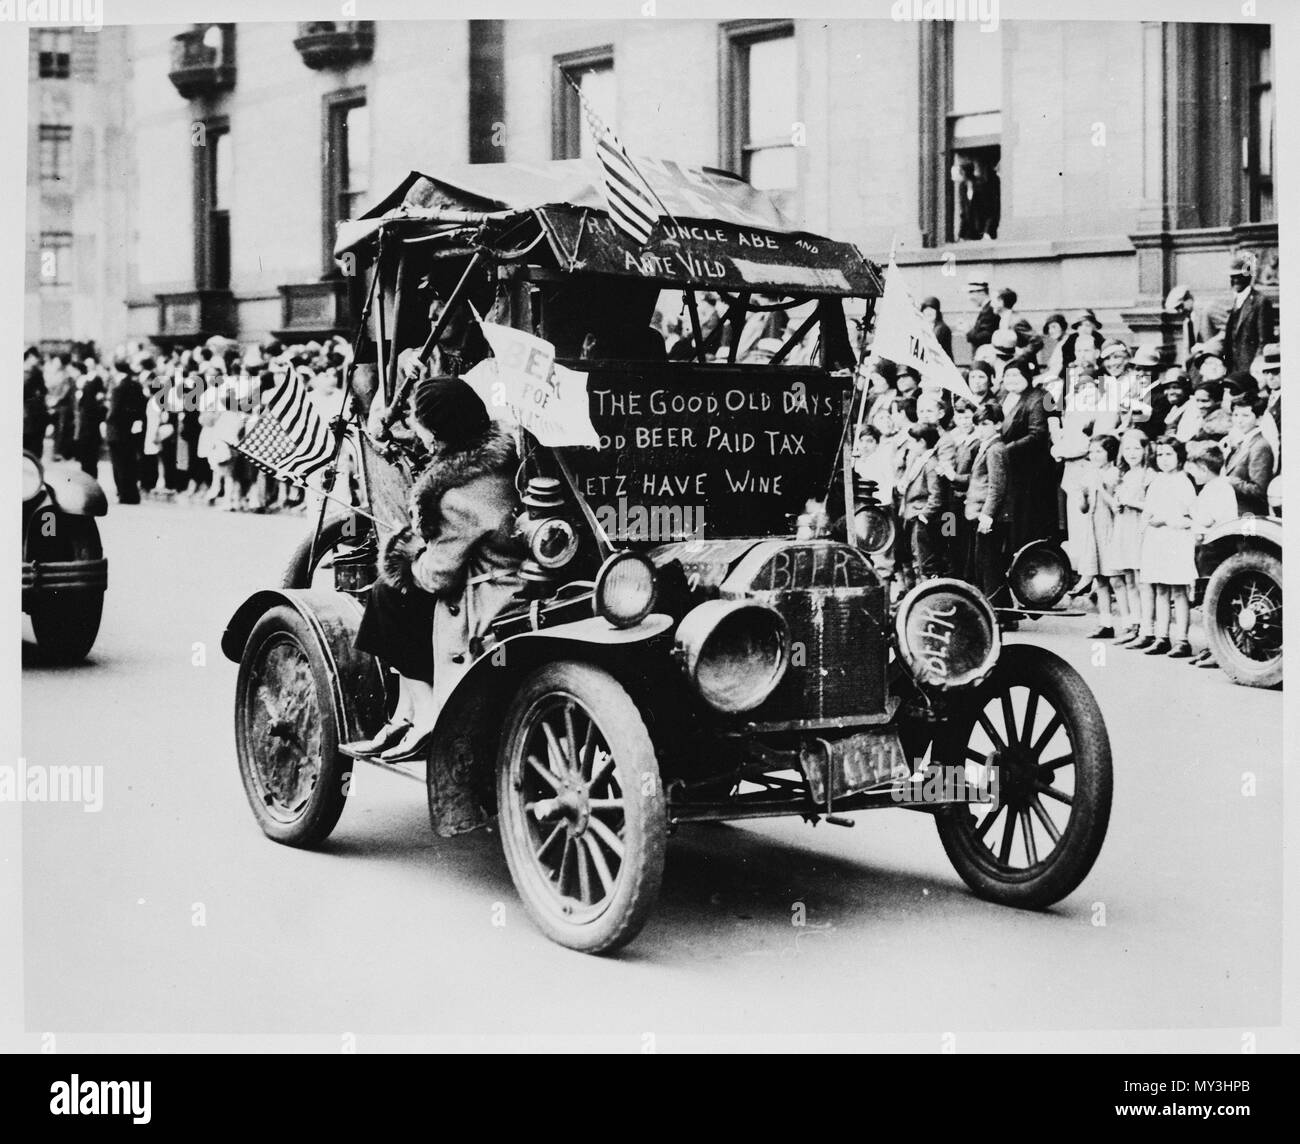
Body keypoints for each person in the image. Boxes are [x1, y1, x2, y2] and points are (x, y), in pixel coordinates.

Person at [350, 376, 524, 762]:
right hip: (518, 576)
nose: (416, 430)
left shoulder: (455, 495)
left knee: (386, 595)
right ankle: (404, 712)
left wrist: (407, 554)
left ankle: (426, 712)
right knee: (391, 595)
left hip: (487, 601)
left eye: (419, 422)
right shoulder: (504, 459)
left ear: (439, 433)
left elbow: (438, 575)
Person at [1138, 437, 1198, 658]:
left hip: (1176, 539)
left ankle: (1182, 639)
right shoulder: (1157, 481)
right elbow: (1149, 508)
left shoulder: (1184, 482)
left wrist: (1165, 519)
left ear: (1179, 457)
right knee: (1160, 587)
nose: (1164, 459)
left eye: (1169, 454)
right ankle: (1162, 637)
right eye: (1161, 454)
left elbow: (1191, 514)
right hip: (1157, 540)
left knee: (1178, 590)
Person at [1184, 441, 1239, 669]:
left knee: (1216, 602)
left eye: (1194, 471)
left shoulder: (1219, 488)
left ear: (1203, 469)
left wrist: (1190, 513)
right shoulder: (1212, 488)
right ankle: (1209, 647)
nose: (1193, 476)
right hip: (1208, 550)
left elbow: (1208, 519)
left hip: (1217, 550)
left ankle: (1218, 650)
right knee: (1207, 603)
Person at [998, 359, 1057, 550]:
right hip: (1012, 469)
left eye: (1016, 374)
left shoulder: (1040, 397)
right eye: (1008, 375)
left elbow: (1037, 434)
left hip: (1032, 471)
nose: (1012, 379)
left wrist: (1004, 450)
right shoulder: (1004, 398)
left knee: (1029, 521)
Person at [1077, 434, 1125, 639]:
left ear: (1110, 453)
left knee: (1116, 580)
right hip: (1095, 530)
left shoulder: (1114, 474)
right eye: (1092, 452)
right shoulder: (1090, 474)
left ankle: (1129, 624)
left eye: (1099, 451)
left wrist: (1098, 485)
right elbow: (1084, 508)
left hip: (1111, 530)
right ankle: (1105, 623)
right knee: (1100, 580)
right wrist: (1082, 493)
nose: (1094, 456)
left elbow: (1115, 504)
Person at [1110, 430, 1154, 648]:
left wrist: (1132, 502)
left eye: (1137, 448)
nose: (1132, 453)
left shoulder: (1149, 475)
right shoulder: (1125, 474)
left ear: (1146, 449)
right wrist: (1118, 503)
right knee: (1128, 577)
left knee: (1140, 579)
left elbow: (1153, 506)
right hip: (1124, 527)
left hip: (1139, 528)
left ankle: (1147, 628)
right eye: (1127, 448)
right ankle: (1134, 623)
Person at [963, 401, 1010, 599]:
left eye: (985, 424)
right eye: (978, 424)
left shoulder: (995, 449)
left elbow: (997, 486)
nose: (981, 429)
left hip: (990, 516)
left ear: (998, 424)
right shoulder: (987, 446)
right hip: (981, 513)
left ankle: (999, 611)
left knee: (989, 565)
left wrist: (987, 515)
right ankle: (1002, 611)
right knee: (986, 563)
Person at [896, 422, 945, 579]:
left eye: (912, 441)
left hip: (921, 519)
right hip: (912, 515)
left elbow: (936, 495)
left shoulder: (931, 463)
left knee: (924, 561)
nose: (909, 445)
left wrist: (924, 516)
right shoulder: (919, 460)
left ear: (922, 442)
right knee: (915, 557)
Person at [1222, 250, 1274, 374]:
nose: (1235, 280)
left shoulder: (1260, 302)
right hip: (1233, 367)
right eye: (1232, 277)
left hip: (1250, 367)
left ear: (1248, 276)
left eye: (1239, 276)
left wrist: (1257, 364)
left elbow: (1264, 340)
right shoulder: (1234, 301)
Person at [1222, 395, 1273, 517]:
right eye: (1235, 415)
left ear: (1259, 419)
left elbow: (1259, 490)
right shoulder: (1243, 441)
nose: (1239, 420)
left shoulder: (1260, 446)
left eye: (1245, 416)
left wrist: (1229, 481)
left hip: (1248, 512)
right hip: (1234, 507)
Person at [104, 366, 146, 504]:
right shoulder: (136, 387)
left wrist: (107, 422)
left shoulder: (118, 389)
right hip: (130, 431)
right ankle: (132, 494)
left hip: (116, 431)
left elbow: (113, 412)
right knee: (130, 463)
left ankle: (123, 493)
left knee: (119, 465)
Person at [965, 277, 999, 353]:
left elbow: (985, 337)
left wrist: (968, 331)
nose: (970, 298)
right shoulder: (987, 309)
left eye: (971, 292)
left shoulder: (989, 310)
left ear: (982, 292)